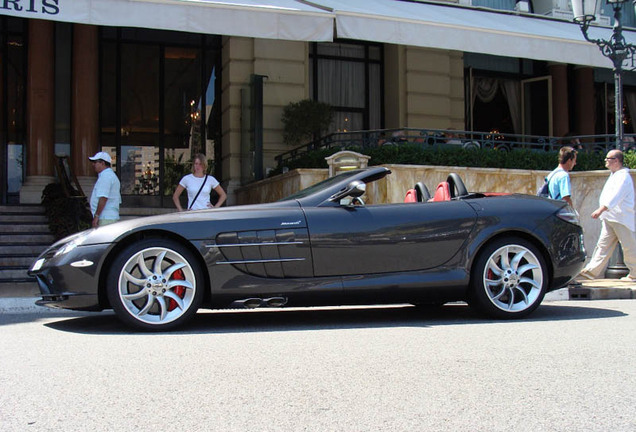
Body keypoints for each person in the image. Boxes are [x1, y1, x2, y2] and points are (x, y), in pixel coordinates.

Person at [578, 149, 636, 281]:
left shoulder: (623, 176)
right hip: (610, 218)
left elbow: (617, 196)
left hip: (621, 218)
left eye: (608, 158)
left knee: (629, 246)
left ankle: (635, 274)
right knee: (602, 246)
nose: (605, 161)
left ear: (616, 161)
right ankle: (590, 272)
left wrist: (601, 209)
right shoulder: (615, 175)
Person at [88, 151, 121, 228]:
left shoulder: (105, 177)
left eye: (95, 162)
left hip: (105, 218)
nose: (93, 164)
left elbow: (103, 198)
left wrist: (96, 216)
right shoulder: (110, 175)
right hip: (109, 217)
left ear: (102, 163)